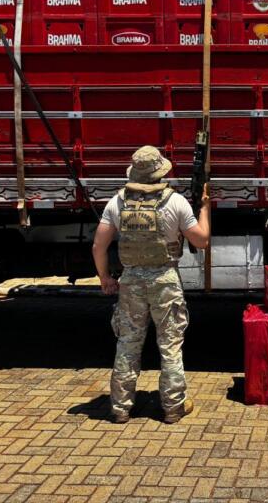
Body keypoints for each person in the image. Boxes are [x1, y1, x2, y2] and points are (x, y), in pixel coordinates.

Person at [92, 145, 210, 424]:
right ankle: (172, 407)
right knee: (169, 345)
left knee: (128, 344)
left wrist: (105, 278)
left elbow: (99, 246)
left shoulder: (117, 202)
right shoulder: (176, 202)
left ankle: (120, 408)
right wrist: (205, 208)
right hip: (165, 280)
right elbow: (201, 240)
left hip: (131, 279)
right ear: (160, 172)